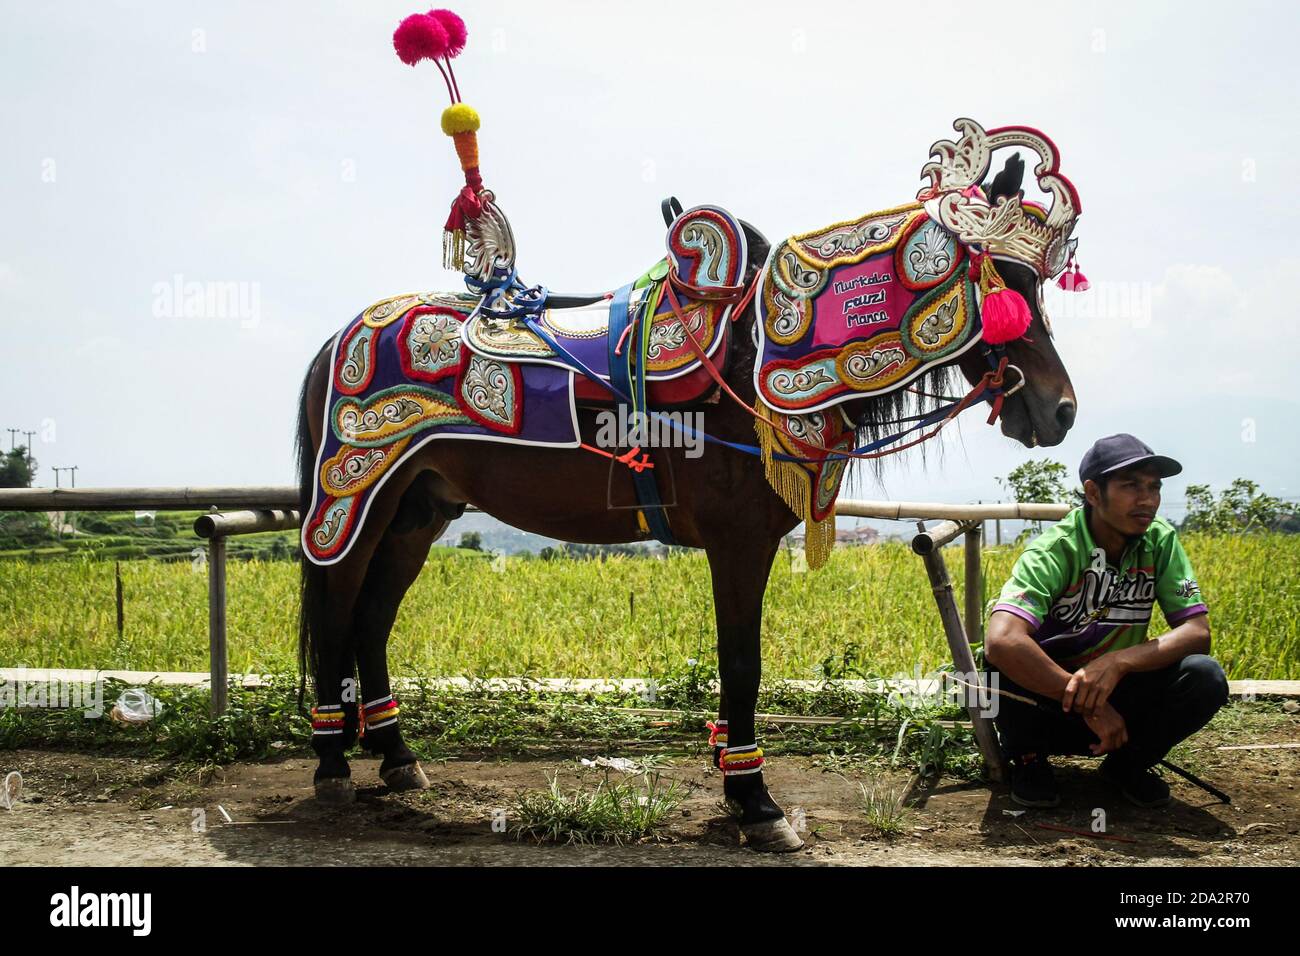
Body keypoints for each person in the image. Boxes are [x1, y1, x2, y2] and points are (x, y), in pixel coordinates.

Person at [984, 434, 1229, 808]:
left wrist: (1118, 662)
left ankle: (1127, 766)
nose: (1147, 500)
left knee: (1203, 675)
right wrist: (1090, 706)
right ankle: (1028, 759)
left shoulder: (1159, 542)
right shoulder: (1056, 549)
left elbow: (1197, 633)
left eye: (1153, 487)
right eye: (1131, 486)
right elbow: (1001, 641)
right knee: (994, 666)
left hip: (1116, 698)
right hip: (1049, 702)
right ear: (1094, 493)